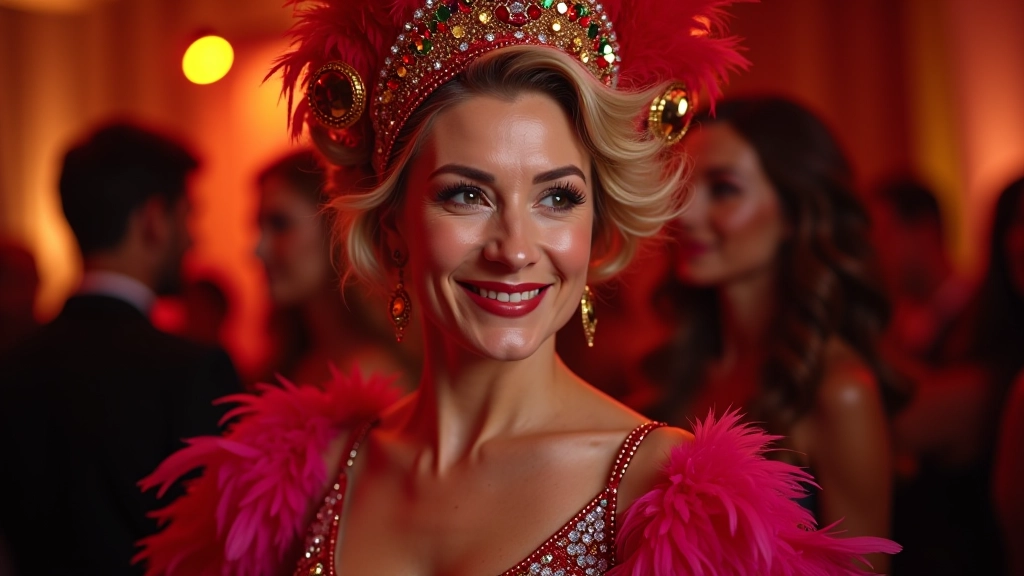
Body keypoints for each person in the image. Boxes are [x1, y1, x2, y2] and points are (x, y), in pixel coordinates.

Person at [134, 3, 899, 575]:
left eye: (557, 198)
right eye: (466, 195)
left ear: (598, 228)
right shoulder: (299, 478)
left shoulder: (667, 499)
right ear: (394, 225)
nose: (514, 248)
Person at [645, 97, 911, 572]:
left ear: (794, 211)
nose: (685, 214)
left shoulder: (837, 390)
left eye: (723, 189)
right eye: (681, 187)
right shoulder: (679, 368)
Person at [0, 122, 242, 576]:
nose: (194, 239)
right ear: (153, 220)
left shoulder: (12, 368)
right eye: (188, 216)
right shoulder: (193, 371)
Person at [254, 149, 418, 388]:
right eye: (258, 227)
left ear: (336, 226)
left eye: (280, 224)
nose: (259, 249)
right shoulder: (293, 361)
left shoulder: (371, 377)